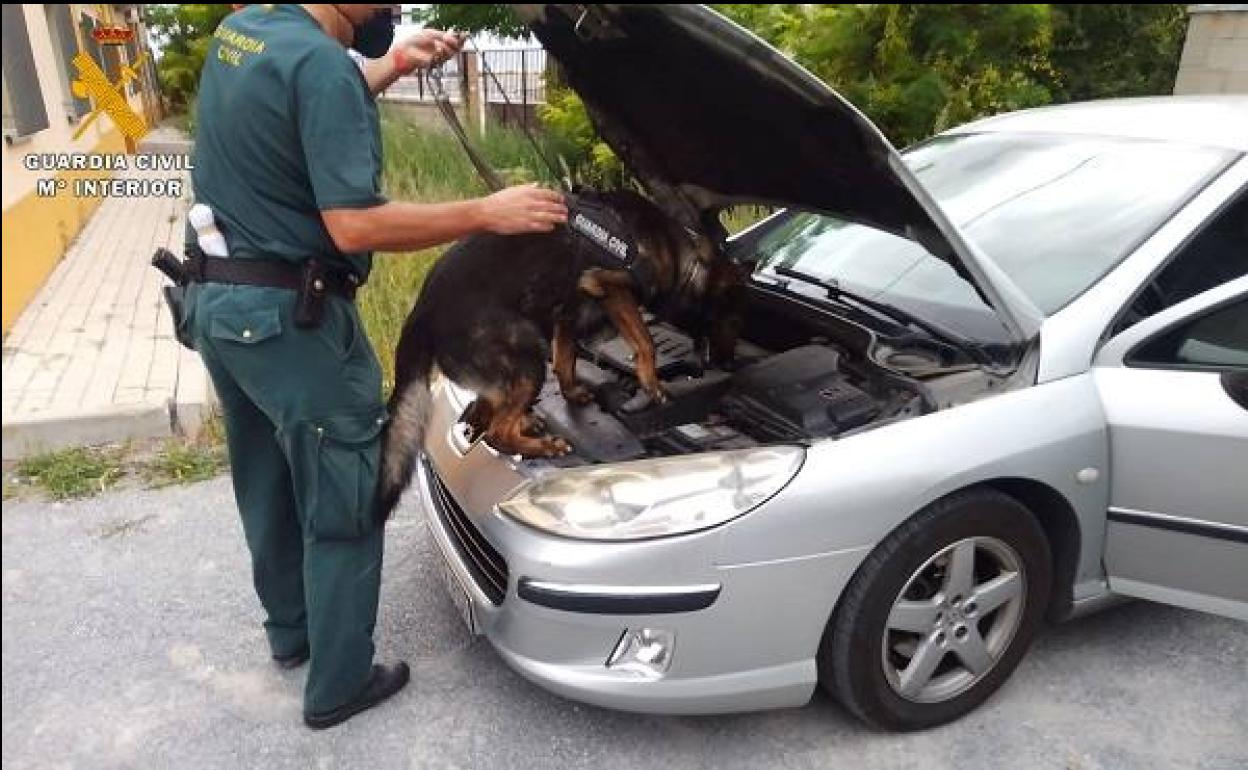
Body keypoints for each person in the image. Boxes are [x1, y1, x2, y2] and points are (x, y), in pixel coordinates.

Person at [184, 4, 567, 729]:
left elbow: (294, 103)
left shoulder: (247, 29)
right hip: (290, 324)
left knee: (265, 481)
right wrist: (487, 211)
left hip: (218, 305)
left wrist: (389, 66)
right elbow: (355, 225)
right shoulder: (323, 66)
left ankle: (293, 635)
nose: (393, 9)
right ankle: (338, 683)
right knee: (344, 499)